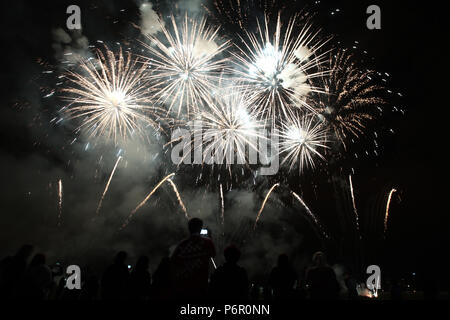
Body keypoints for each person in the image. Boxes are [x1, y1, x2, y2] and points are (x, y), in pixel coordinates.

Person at [170, 218, 216, 299]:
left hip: (184, 285)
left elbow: (172, 261)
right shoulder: (207, 242)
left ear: (189, 228)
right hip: (201, 284)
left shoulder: (182, 244)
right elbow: (213, 254)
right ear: (200, 228)